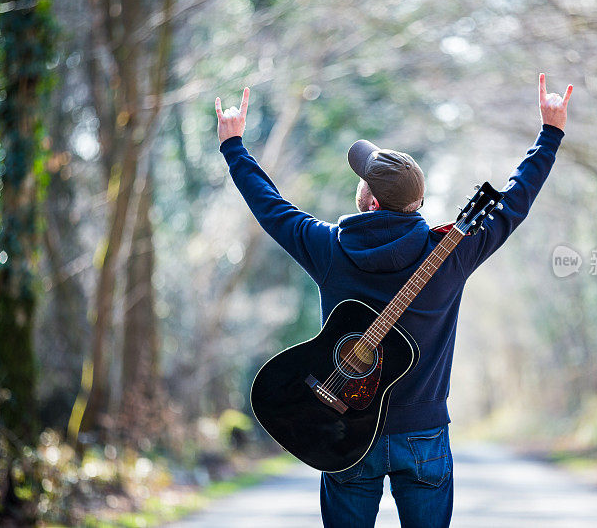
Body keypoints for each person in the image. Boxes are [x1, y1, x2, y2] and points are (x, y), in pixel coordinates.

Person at [215, 72, 572, 528]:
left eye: (363, 177)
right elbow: (512, 203)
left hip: (343, 429)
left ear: (370, 201)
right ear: (417, 203)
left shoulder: (328, 249)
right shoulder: (452, 255)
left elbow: (272, 207)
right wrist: (550, 132)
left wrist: (234, 146)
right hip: (422, 434)